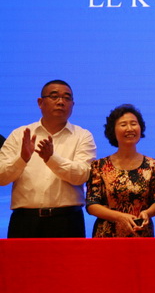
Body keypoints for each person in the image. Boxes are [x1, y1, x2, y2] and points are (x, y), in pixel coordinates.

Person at [0, 80, 96, 238]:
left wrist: (51, 159)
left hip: (67, 221)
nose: (61, 102)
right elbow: (1, 178)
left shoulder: (82, 136)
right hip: (25, 221)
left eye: (67, 98)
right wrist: (22, 159)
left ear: (72, 104)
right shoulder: (19, 135)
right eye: (54, 96)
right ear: (40, 102)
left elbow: (82, 175)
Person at [85, 105, 155, 238]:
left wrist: (147, 213)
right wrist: (119, 217)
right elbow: (92, 204)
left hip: (141, 233)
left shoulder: (153, 165)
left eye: (133, 124)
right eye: (123, 124)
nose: (130, 128)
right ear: (113, 130)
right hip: (107, 236)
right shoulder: (99, 166)